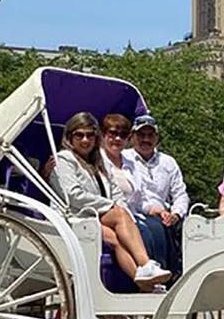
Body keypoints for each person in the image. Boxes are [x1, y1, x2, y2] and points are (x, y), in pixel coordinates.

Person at [48, 112, 171, 291]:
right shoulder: (64, 159)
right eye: (79, 135)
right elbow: (73, 195)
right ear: (70, 137)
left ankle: (143, 281)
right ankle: (146, 265)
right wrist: (112, 207)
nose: (85, 140)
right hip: (73, 216)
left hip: (93, 217)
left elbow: (114, 190)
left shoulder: (97, 161)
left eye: (90, 135)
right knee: (120, 216)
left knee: (115, 237)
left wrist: (119, 206)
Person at [99, 113, 168, 269]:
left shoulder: (130, 163)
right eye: (112, 134)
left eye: (122, 135)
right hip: (108, 213)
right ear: (103, 136)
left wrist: (154, 209)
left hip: (132, 213)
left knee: (158, 228)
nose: (117, 139)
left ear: (128, 138)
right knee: (144, 232)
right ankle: (146, 273)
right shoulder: (97, 161)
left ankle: (165, 272)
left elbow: (139, 198)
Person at [124, 114, 189, 276]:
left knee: (192, 228)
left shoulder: (167, 162)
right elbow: (126, 195)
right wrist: (152, 209)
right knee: (154, 228)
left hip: (166, 214)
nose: (145, 139)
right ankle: (160, 275)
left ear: (157, 138)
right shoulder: (125, 159)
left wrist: (176, 213)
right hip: (138, 212)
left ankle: (184, 273)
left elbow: (180, 193)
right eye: (140, 135)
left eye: (150, 135)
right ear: (132, 137)